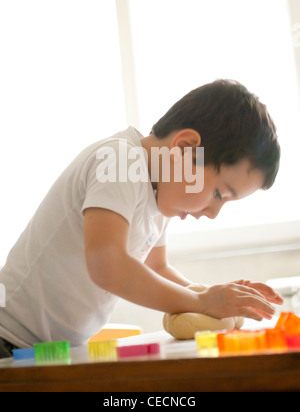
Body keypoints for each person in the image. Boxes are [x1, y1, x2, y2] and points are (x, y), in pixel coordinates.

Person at [0, 79, 283, 357]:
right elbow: (107, 265)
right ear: (184, 150)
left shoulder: (160, 190)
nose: (212, 213)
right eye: (219, 194)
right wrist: (202, 300)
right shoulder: (121, 161)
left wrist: (215, 296)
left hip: (46, 351)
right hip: (7, 339)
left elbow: (157, 268)